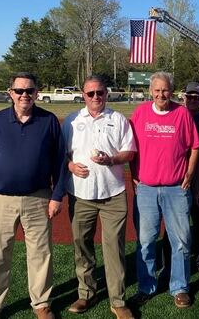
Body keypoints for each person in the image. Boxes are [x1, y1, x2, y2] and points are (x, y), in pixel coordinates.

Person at [0, 72, 64, 319]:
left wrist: (57, 195)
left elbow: (59, 163)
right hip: (2, 199)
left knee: (41, 253)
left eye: (30, 91)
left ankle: (41, 303)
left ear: (36, 93)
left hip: (39, 197)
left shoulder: (49, 121)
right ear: (10, 93)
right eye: (19, 91)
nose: (25, 95)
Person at [61, 76, 137, 319]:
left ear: (107, 93)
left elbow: (130, 152)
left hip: (112, 193)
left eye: (100, 93)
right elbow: (61, 154)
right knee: (81, 244)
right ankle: (86, 293)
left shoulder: (118, 119)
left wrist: (112, 159)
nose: (96, 97)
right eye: (90, 93)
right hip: (80, 194)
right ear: (83, 95)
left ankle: (117, 300)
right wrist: (70, 166)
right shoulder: (72, 120)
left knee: (114, 248)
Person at [129, 72, 199, 308]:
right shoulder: (140, 113)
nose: (161, 94)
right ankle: (146, 286)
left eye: (166, 90)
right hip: (147, 189)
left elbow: (195, 147)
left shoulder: (181, 113)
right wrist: (134, 175)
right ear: (151, 91)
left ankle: (179, 287)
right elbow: (131, 148)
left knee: (180, 240)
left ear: (172, 91)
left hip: (175, 189)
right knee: (146, 240)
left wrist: (189, 173)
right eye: (157, 90)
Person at [160, 82, 199, 280]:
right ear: (183, 97)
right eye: (189, 96)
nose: (192, 100)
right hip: (176, 181)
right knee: (172, 227)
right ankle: (168, 264)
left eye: (196, 97)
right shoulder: (175, 115)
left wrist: (198, 185)